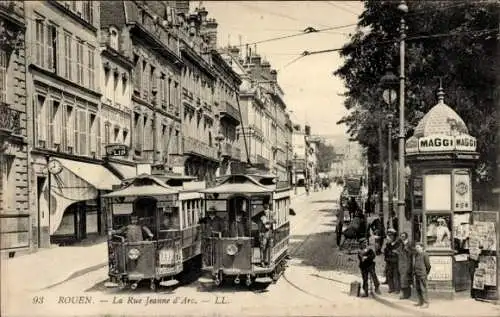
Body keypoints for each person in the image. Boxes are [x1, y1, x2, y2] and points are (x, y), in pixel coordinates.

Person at [413, 242, 431, 308]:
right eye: (416, 247)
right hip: (417, 274)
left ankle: (426, 303)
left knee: (423, 289)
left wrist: (426, 273)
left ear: (422, 247)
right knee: (418, 289)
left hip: (422, 274)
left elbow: (428, 266)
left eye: (418, 247)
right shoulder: (416, 255)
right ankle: (420, 302)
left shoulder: (425, 254)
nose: (416, 249)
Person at [383, 228, 401, 293]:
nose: (388, 237)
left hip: (396, 262)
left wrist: (393, 253)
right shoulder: (388, 245)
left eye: (390, 236)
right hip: (389, 261)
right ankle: (391, 288)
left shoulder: (398, 244)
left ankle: (397, 289)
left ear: (394, 236)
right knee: (389, 274)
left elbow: (398, 253)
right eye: (388, 236)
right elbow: (386, 253)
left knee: (396, 275)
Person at [397, 232, 413, 299]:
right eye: (401, 236)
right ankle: (405, 294)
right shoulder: (401, 244)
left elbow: (412, 252)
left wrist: (408, 250)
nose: (402, 237)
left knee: (405, 279)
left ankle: (406, 294)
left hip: (407, 263)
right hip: (401, 264)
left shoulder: (409, 244)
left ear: (406, 237)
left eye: (403, 236)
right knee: (402, 279)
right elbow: (399, 251)